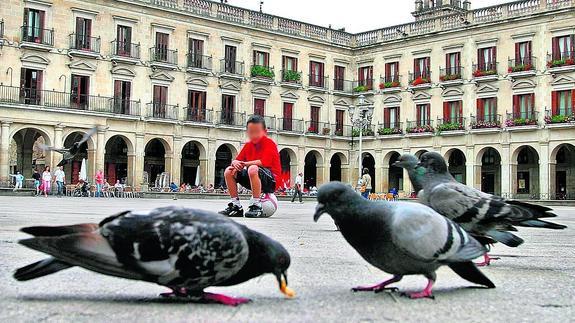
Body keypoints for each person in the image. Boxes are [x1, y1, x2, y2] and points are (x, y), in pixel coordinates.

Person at [219, 115, 281, 218]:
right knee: (228, 171)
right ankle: (236, 206)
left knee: (252, 168)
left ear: (265, 131)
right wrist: (234, 163)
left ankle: (256, 205)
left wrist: (244, 164)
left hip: (271, 181)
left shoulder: (270, 144)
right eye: (251, 132)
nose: (254, 135)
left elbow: (264, 162)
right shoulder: (248, 146)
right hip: (254, 177)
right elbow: (238, 160)